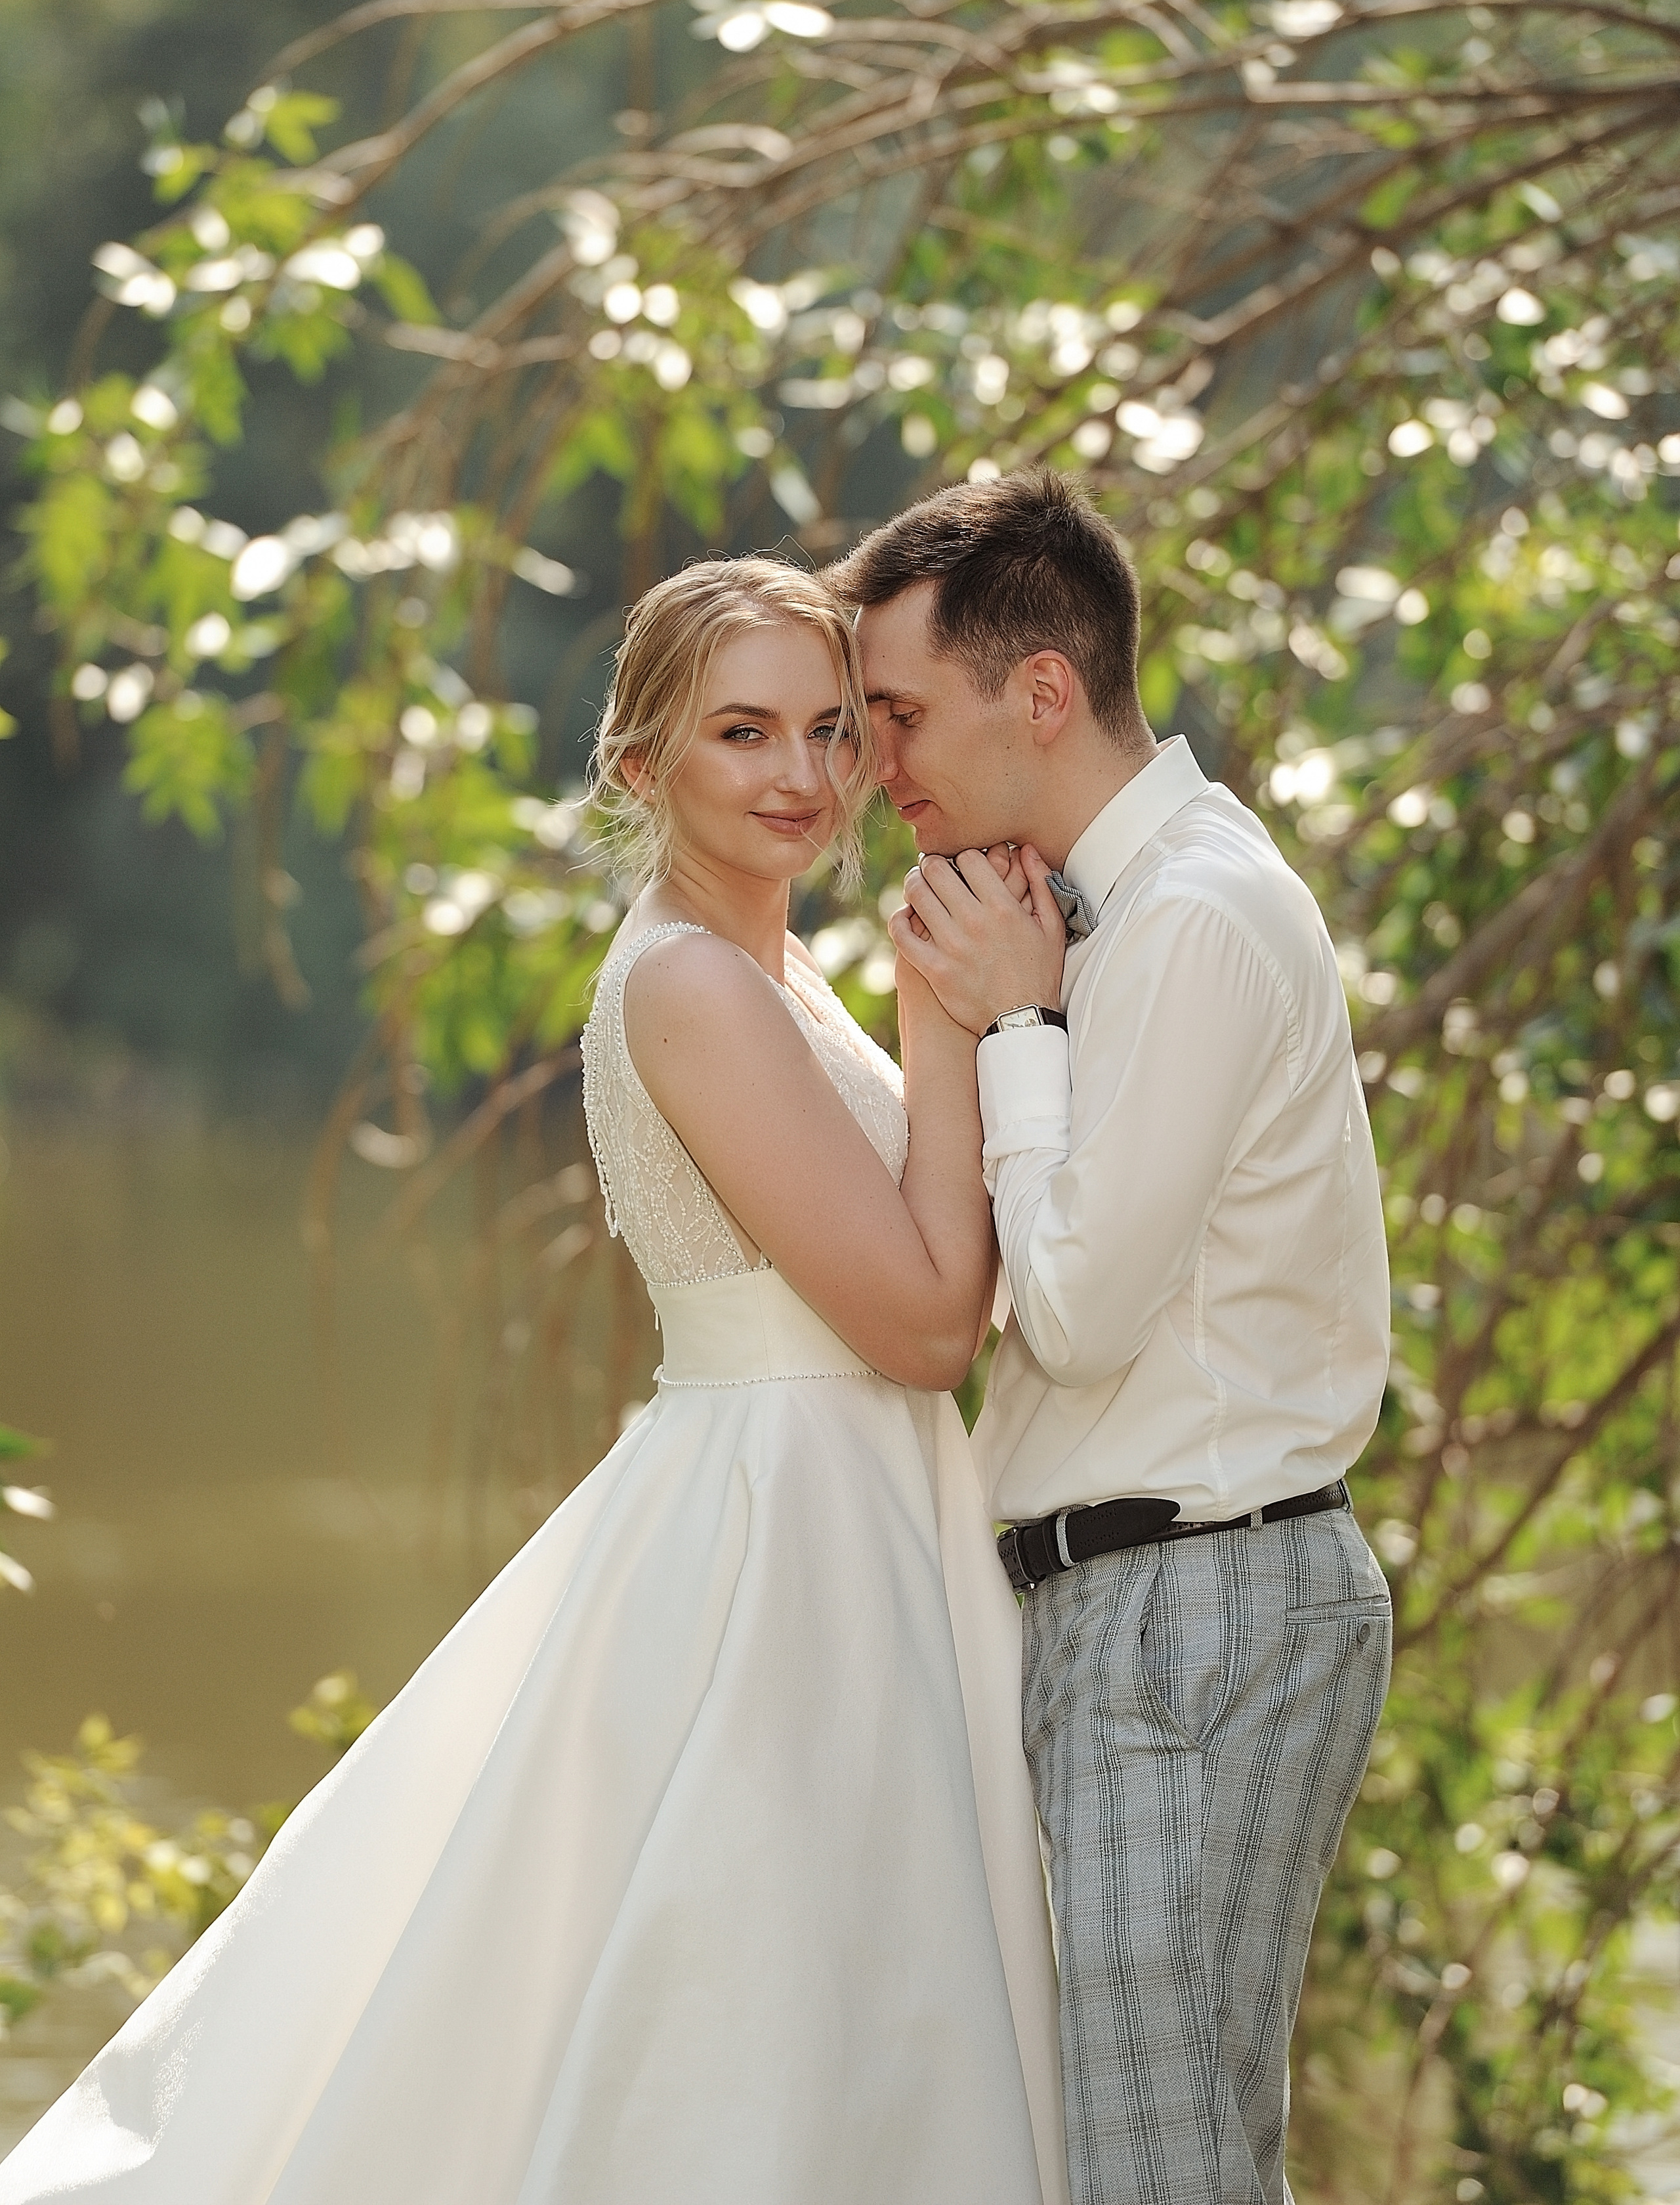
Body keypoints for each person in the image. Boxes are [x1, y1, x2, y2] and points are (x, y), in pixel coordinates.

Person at [0, 556, 1067, 2205]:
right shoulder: (694, 986)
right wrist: (956, 1021)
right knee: (759, 2014)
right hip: (782, 1541)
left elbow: (932, 1303)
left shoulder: (770, 973)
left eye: (831, 730)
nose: (800, 775)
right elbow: (930, 1330)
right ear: (642, 767)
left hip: (859, 1506)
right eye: (740, 733)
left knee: (856, 2012)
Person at [830, 473, 1393, 2205]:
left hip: (1195, 1607)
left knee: (1156, 2172)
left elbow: (1069, 1315)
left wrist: (1017, 1028)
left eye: (902, 716)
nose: (879, 769)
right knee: (1178, 2162)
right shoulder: (1107, 917)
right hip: (1146, 1600)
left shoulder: (1196, 920)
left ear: (1044, 691)